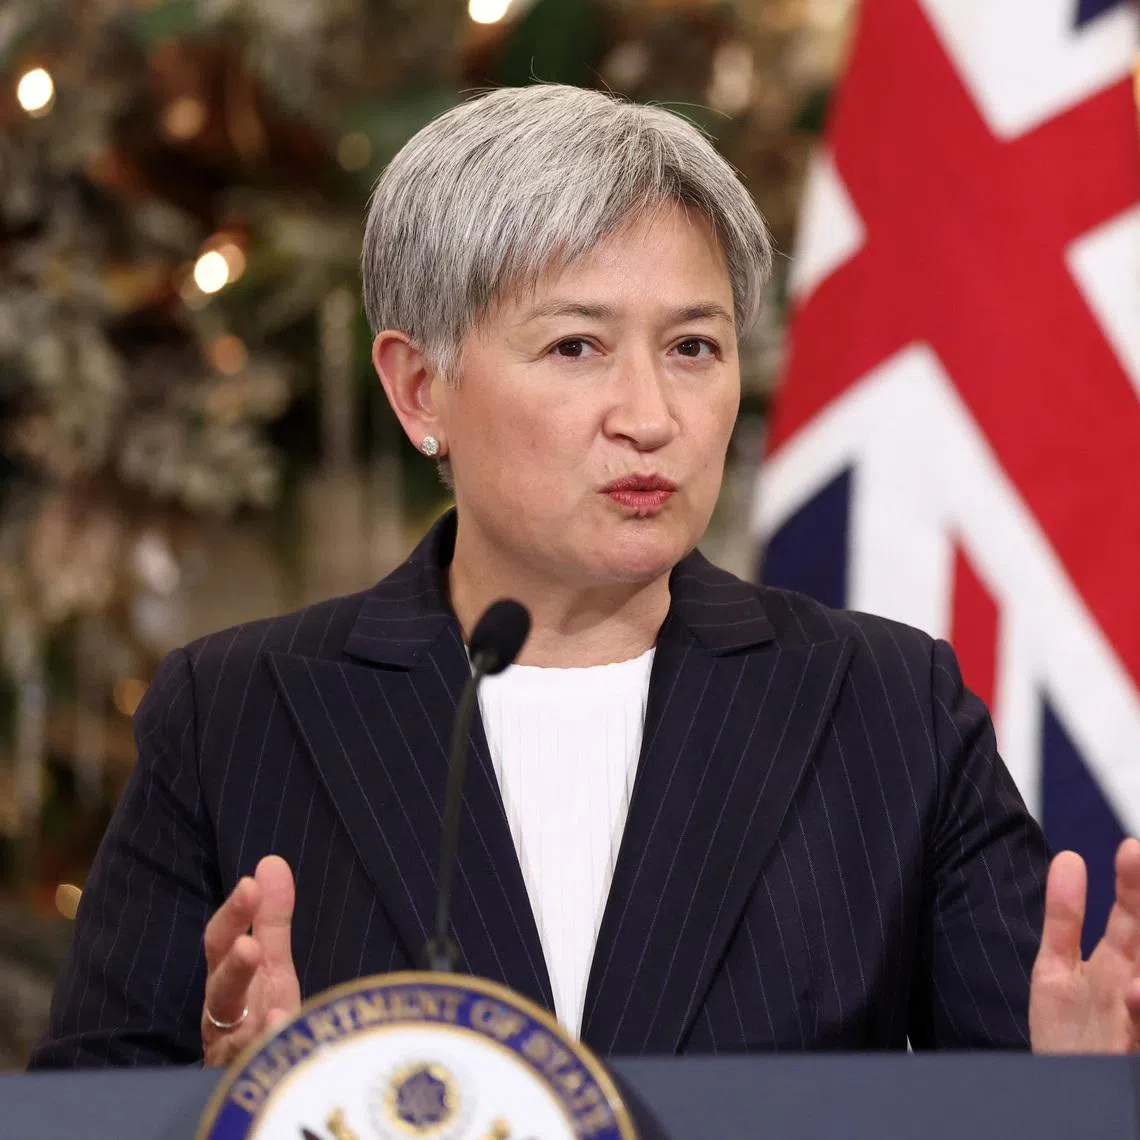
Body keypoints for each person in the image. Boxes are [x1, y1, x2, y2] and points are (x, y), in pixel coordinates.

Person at [29, 84, 1140, 1069]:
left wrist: (1083, 1094)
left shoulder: (889, 708)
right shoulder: (235, 716)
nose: (650, 418)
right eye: (576, 347)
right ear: (419, 389)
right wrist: (227, 1097)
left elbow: (1014, 1088)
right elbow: (93, 1105)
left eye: (693, 347)